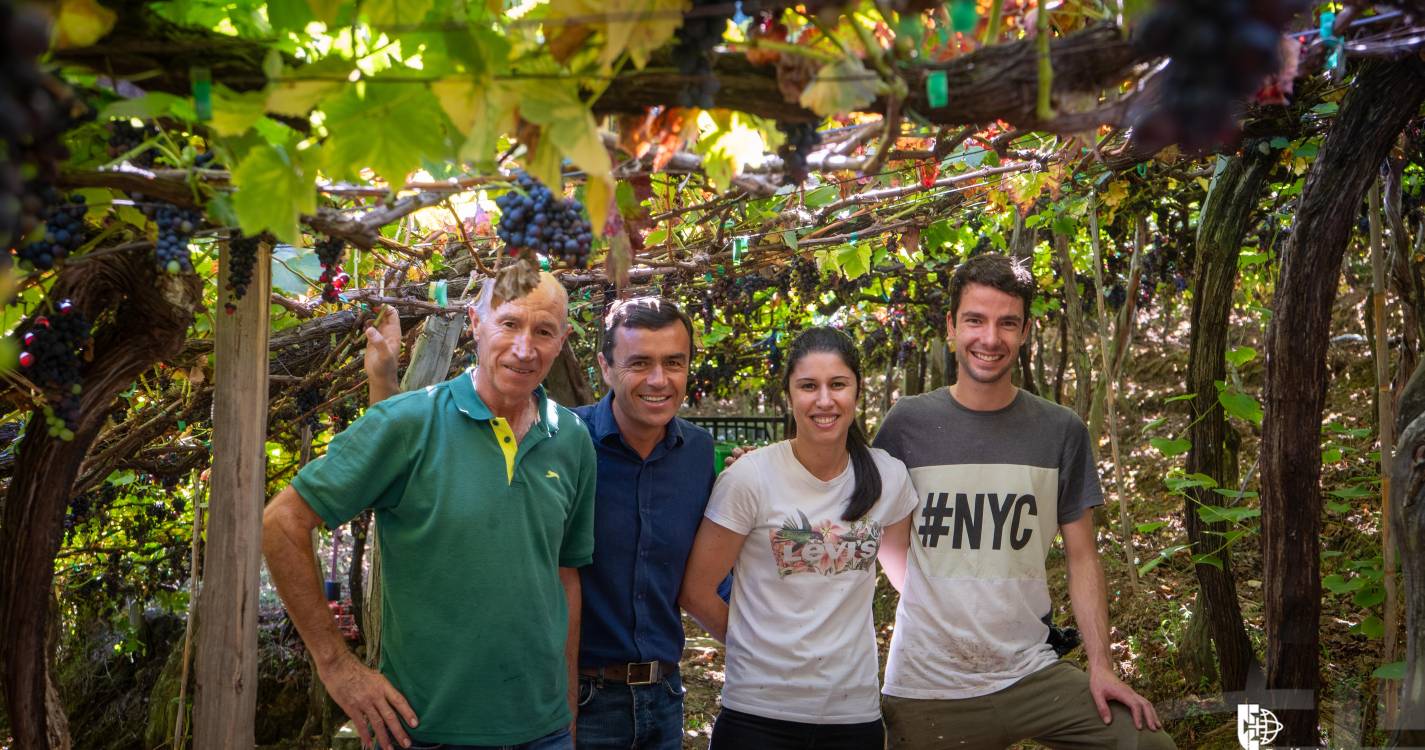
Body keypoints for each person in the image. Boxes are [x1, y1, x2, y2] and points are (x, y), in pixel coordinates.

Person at [366, 294, 716, 749]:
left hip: (665, 699)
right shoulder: (559, 441)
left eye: (674, 362)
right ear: (605, 368)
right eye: (639, 362)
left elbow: (711, 564)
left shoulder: (699, 453)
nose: (659, 379)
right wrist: (383, 381)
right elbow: (421, 475)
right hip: (574, 700)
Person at [264, 272, 595, 750]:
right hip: (424, 731)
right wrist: (337, 666)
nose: (525, 349)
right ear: (475, 322)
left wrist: (566, 707)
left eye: (543, 331)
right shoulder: (407, 423)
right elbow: (281, 523)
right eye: (509, 324)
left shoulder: (571, 437)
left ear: (562, 340)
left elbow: (565, 576)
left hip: (543, 733)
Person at [873, 253, 1176, 749]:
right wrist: (943, 600)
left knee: (1146, 745)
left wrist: (1100, 665)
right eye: (975, 320)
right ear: (951, 326)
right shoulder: (907, 425)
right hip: (928, 685)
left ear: (1026, 331)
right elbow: (884, 540)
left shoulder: (1061, 431)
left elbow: (1082, 557)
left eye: (1006, 323)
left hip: (1031, 673)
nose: (990, 339)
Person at [679, 326, 919, 749]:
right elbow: (696, 592)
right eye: (808, 386)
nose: (824, 400)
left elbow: (908, 583)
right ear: (789, 395)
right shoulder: (750, 477)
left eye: (838, 385)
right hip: (758, 713)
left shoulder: (888, 477)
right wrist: (754, 645)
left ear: (857, 392)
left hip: (852, 712)